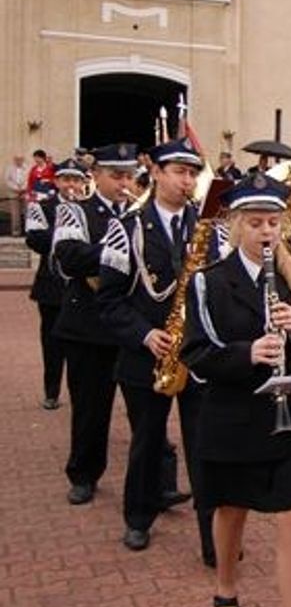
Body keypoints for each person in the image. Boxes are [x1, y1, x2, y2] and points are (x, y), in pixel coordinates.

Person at [182, 172, 291, 607]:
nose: (267, 233)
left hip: (290, 421)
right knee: (230, 509)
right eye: (257, 223)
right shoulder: (208, 282)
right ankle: (226, 583)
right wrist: (248, 354)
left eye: (274, 223)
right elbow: (196, 353)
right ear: (236, 226)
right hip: (232, 418)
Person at [96, 137, 211, 560]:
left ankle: (212, 533)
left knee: (204, 443)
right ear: (156, 173)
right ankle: (138, 518)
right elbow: (107, 301)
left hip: (197, 356)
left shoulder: (206, 227)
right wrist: (145, 334)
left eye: (192, 173)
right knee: (146, 439)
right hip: (147, 356)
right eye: (179, 172)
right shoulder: (125, 227)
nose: (187, 181)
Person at [51, 143, 138, 505]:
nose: (124, 183)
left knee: (147, 414)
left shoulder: (141, 215)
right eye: (116, 175)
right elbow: (70, 257)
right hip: (87, 326)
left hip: (130, 327)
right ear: (96, 176)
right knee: (90, 408)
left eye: (130, 176)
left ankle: (154, 481)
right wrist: (119, 248)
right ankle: (84, 474)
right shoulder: (75, 211)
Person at [25, 161, 86, 410]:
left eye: (76, 179)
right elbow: (35, 239)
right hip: (51, 287)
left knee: (81, 345)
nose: (71, 184)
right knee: (51, 342)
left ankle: (80, 391)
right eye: (66, 179)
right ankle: (51, 391)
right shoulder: (43, 207)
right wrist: (65, 232)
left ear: (82, 183)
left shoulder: (89, 209)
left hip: (81, 288)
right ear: (57, 182)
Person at [5, 152, 28, 235]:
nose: (19, 161)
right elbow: (7, 180)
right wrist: (16, 188)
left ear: (23, 160)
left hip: (25, 193)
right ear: (14, 160)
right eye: (17, 159)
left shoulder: (27, 168)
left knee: (27, 213)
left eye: (21, 159)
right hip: (13, 193)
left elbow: (29, 180)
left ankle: (27, 231)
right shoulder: (9, 168)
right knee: (15, 214)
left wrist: (23, 188)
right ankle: (16, 232)